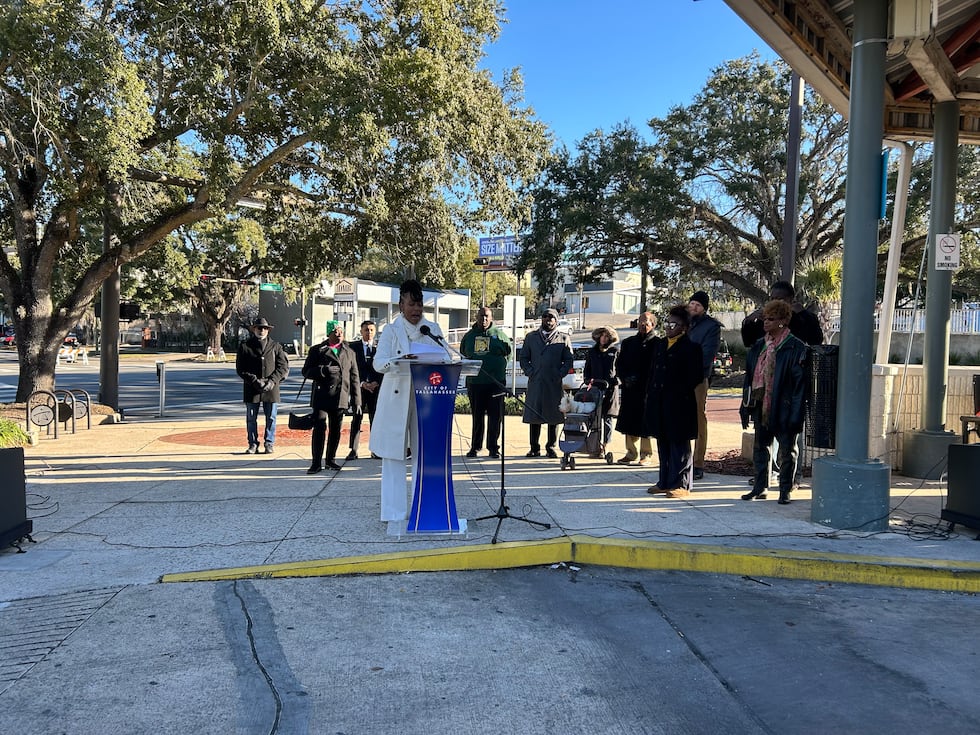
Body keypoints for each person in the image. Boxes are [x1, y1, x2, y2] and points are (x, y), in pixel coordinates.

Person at [369, 279, 448, 523]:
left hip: (426, 399)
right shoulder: (391, 331)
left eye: (420, 305)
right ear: (401, 304)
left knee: (424, 455)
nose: (416, 310)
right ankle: (394, 513)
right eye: (411, 304)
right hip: (396, 398)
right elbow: (378, 363)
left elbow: (446, 357)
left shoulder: (432, 329)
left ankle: (422, 508)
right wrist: (400, 360)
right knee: (394, 456)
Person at [739, 300, 810, 504]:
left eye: (771, 319)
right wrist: (745, 407)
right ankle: (760, 487)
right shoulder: (760, 346)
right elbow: (749, 379)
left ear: (783, 321)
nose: (766, 323)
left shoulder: (795, 347)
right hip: (762, 404)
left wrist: (796, 414)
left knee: (788, 450)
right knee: (761, 446)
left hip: (784, 405)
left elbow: (799, 386)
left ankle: (785, 489)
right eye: (764, 318)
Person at [645, 305, 703, 498]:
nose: (669, 327)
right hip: (659, 402)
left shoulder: (691, 348)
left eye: (674, 324)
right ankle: (664, 482)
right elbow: (652, 371)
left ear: (684, 327)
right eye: (668, 323)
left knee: (680, 445)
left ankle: (682, 484)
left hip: (679, 404)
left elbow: (696, 376)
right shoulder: (661, 345)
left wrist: (678, 389)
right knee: (663, 442)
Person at [301, 321, 360, 474]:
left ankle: (330, 460)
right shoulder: (317, 350)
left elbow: (354, 378)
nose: (339, 333)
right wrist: (323, 370)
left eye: (341, 331)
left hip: (340, 396)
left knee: (336, 429)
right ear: (329, 334)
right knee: (320, 428)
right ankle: (316, 463)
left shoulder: (349, 352)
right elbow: (306, 371)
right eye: (335, 331)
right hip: (322, 396)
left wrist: (357, 401)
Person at [519, 308, 573, 458]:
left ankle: (551, 446)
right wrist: (530, 372)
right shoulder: (531, 337)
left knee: (553, 415)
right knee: (534, 414)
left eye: (551, 317)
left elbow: (569, 360)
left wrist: (559, 373)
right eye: (545, 317)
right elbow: (523, 358)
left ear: (556, 320)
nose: (548, 320)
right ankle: (534, 447)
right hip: (536, 381)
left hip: (553, 383)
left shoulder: (563, 338)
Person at [460, 306, 512, 459]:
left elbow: (508, 353)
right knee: (477, 416)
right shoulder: (469, 336)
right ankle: (475, 447)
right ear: (476, 317)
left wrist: (498, 368)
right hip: (475, 383)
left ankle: (493, 448)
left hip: (495, 383)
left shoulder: (499, 335)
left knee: (495, 416)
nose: (484, 319)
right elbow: (464, 352)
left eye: (487, 316)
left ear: (491, 318)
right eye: (481, 316)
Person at [235, 316, 289, 454]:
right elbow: (241, 369)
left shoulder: (276, 346)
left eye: (264, 328)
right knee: (251, 418)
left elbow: (282, 367)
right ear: (254, 329)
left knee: (271, 417)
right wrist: (254, 380)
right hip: (252, 388)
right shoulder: (245, 346)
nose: (262, 330)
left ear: (268, 331)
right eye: (259, 328)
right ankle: (252, 443)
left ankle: (269, 443)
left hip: (271, 388)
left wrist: (272, 381)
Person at [686, 291, 722, 481]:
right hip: (678, 379)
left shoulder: (712, 327)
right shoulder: (683, 323)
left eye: (698, 305)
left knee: (699, 419)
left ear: (704, 308)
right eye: (692, 304)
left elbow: (707, 354)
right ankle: (681, 459)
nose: (693, 308)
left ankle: (698, 463)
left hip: (698, 378)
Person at [614, 312, 658, 465]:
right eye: (640, 321)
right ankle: (631, 453)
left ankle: (646, 454)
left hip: (648, 389)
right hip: (630, 388)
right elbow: (619, 364)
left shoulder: (658, 344)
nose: (642, 324)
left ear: (653, 324)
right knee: (629, 421)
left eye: (646, 322)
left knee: (646, 422)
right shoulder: (628, 342)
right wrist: (625, 378)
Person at [741, 280, 824, 348]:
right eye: (772, 299)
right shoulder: (765, 318)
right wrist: (748, 321)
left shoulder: (801, 317)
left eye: (779, 299)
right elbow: (749, 342)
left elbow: (816, 341)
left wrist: (804, 314)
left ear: (790, 299)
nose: (775, 302)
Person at [346, 320, 383, 460]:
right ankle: (353, 450)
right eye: (366, 330)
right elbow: (350, 368)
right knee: (357, 418)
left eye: (372, 330)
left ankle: (375, 449)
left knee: (375, 419)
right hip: (359, 389)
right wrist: (362, 383)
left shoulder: (380, 347)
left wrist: (376, 382)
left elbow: (383, 368)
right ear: (361, 331)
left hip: (375, 389)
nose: (369, 333)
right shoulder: (353, 347)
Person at [582, 325, 620, 456]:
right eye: (602, 335)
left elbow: (620, 370)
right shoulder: (592, 352)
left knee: (607, 419)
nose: (604, 338)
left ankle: (606, 445)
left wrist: (616, 381)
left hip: (610, 390)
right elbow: (587, 369)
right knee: (594, 418)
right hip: (595, 389)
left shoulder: (615, 352)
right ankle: (594, 446)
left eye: (607, 336)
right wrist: (587, 380)